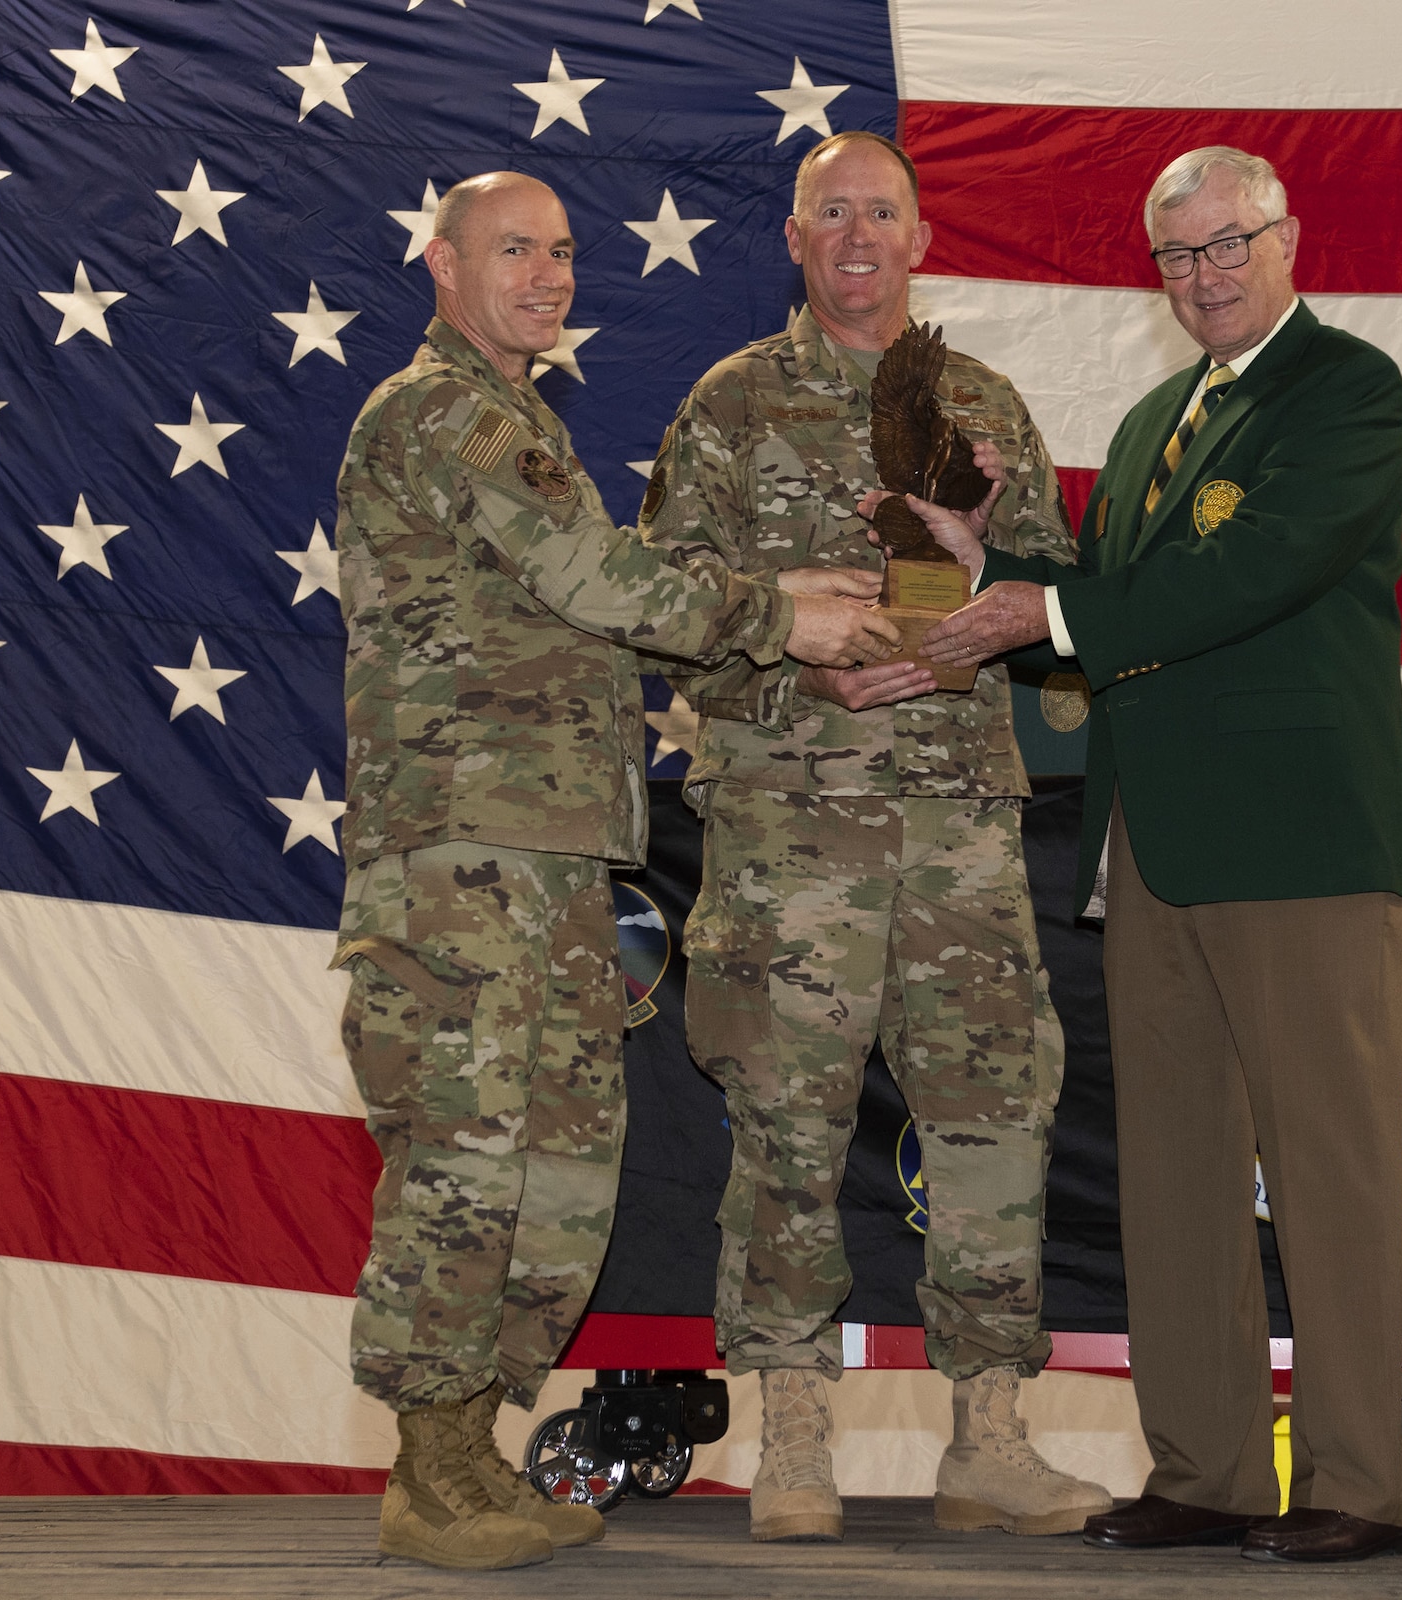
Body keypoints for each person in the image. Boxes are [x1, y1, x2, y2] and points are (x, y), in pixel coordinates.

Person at [332, 170, 899, 1571]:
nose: (547, 274)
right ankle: (429, 1471)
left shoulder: (522, 420)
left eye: (564, 252)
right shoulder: (443, 413)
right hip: (465, 857)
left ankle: (470, 1448)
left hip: (553, 862)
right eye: (512, 249)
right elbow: (600, 585)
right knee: (465, 1162)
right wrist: (786, 617)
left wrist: (793, 615)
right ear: (442, 267)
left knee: (559, 1166)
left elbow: (597, 601)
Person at [909, 146, 1402, 1564]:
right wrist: (979, 568)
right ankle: (1203, 1470)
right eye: (1179, 258)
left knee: (1326, 1178)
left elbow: (1247, 577)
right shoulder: (1145, 427)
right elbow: (1100, 609)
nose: (1205, 277)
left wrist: (1047, 615)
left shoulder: (1345, 391)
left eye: (1227, 245)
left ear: (1287, 239)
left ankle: (1359, 1488)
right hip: (1155, 850)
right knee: (1176, 1174)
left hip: (1306, 845)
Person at [638, 130, 1112, 1545]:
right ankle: (791, 1438)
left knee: (994, 1119)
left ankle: (989, 1437)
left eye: (882, 213)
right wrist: (803, 663)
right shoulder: (728, 408)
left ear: (919, 238)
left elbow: (1064, 608)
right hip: (792, 840)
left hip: (962, 830)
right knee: (787, 1129)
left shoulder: (984, 407)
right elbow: (666, 616)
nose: (857, 235)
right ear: (793, 239)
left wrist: (977, 615)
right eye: (830, 212)